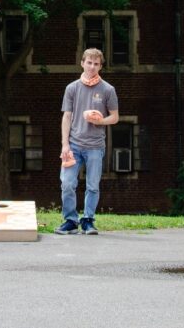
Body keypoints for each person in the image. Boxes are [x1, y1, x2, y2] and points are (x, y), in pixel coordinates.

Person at [55, 48, 119, 235]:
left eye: (96, 64)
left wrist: (101, 120)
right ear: (82, 63)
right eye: (89, 62)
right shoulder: (72, 88)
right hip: (73, 144)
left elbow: (114, 117)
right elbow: (67, 117)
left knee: (92, 185)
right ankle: (70, 220)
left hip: (95, 147)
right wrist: (65, 144)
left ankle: (88, 220)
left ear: (101, 66)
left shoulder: (108, 90)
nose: (92, 67)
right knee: (67, 183)